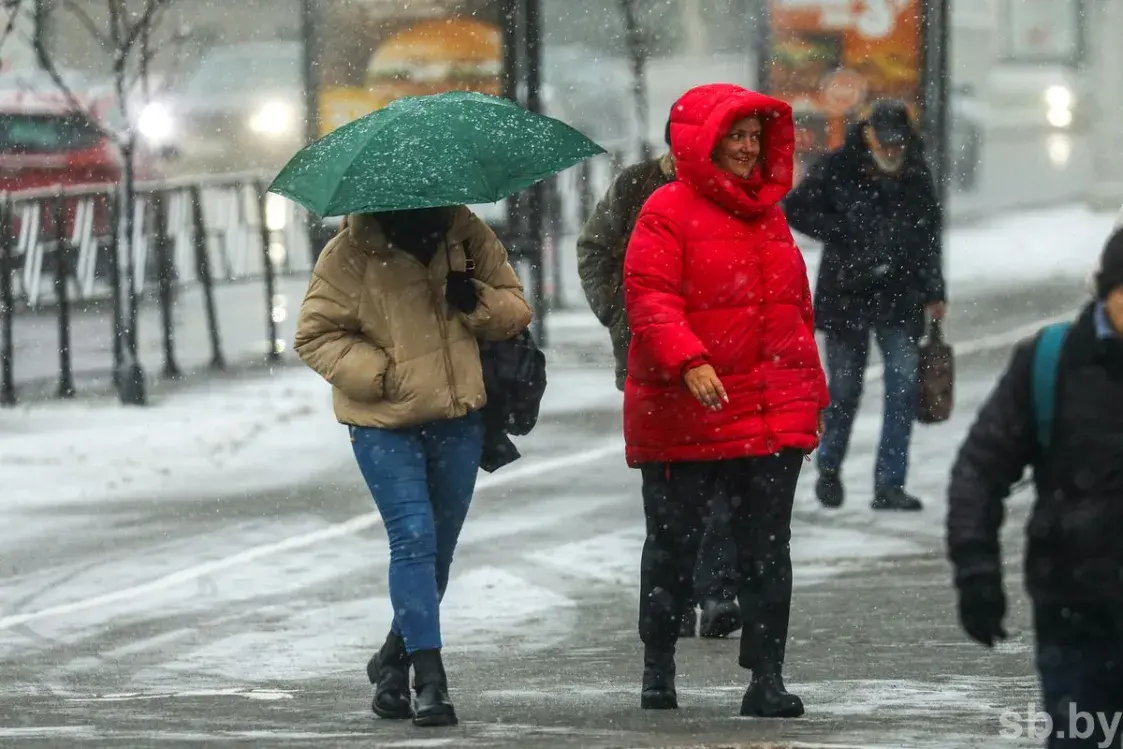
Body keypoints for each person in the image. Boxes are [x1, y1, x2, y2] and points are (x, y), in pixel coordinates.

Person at [623, 83, 830, 718]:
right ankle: (659, 662)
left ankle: (766, 676)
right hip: (690, 409)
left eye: (753, 138)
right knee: (673, 545)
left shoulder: (770, 215)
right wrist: (690, 361)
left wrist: (805, 394)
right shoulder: (664, 210)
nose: (746, 149)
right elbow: (650, 298)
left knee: (768, 548)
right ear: (702, 143)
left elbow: (791, 312)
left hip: (771, 410)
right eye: (734, 137)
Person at [294, 205, 533, 727]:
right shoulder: (350, 250)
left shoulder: (466, 234)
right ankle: (429, 679)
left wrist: (477, 304)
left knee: (438, 552)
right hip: (385, 424)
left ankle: (390, 660)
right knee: (414, 540)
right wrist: (382, 374)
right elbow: (314, 335)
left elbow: (517, 309)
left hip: (457, 419)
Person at [946, 211, 1123, 749]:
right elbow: (980, 469)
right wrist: (977, 572)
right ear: (1106, 291)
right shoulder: (1050, 362)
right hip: (1076, 614)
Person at [576, 112, 741, 640]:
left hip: (718, 358)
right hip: (649, 357)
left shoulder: (727, 188)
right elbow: (595, 250)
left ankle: (715, 590)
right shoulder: (636, 184)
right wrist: (619, 315)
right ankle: (679, 598)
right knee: (672, 486)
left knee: (721, 478)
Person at [783, 98, 947, 511]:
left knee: (903, 388)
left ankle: (889, 485)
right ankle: (830, 469)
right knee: (843, 390)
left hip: (901, 294)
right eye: (885, 142)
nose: (892, 150)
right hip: (847, 294)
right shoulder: (837, 167)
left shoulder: (915, 172)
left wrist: (934, 290)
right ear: (868, 133)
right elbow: (797, 208)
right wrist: (843, 232)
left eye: (898, 143)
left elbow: (928, 235)